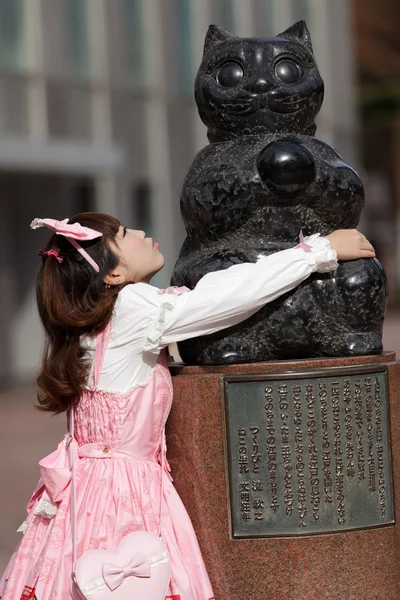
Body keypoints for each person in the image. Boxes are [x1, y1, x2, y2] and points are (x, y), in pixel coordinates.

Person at [0, 213, 375, 600]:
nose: (143, 232)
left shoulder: (91, 327)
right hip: (124, 497)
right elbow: (223, 298)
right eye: (126, 235)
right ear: (112, 276)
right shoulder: (130, 307)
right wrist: (316, 253)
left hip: (81, 495)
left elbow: (216, 290)